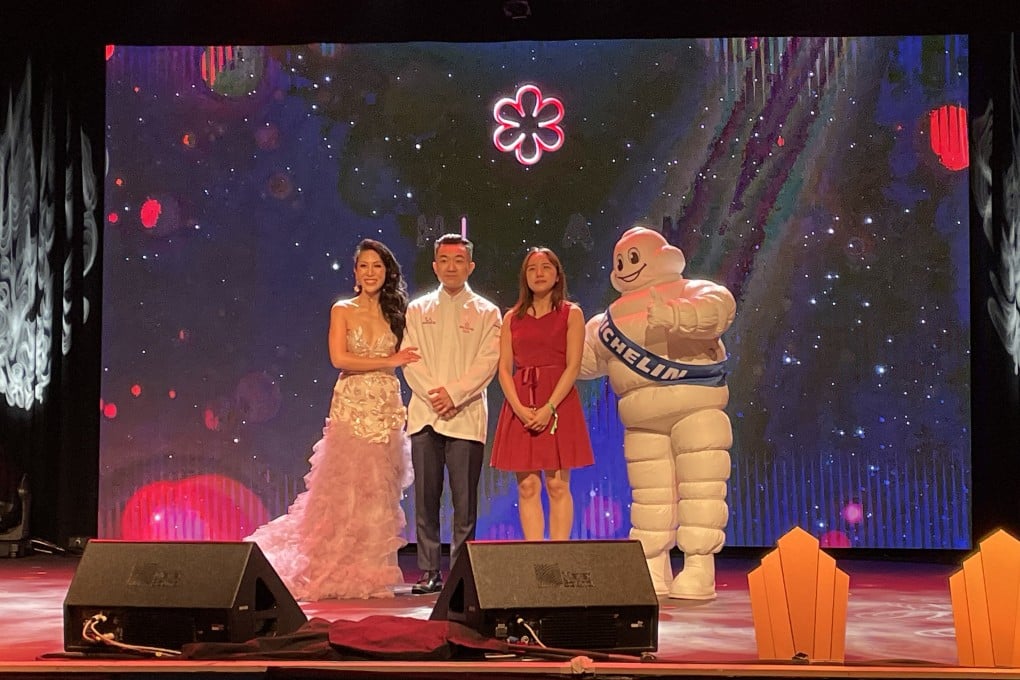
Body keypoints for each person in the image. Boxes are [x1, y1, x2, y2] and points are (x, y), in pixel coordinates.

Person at [246, 239, 420, 600]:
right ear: (355, 273)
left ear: (387, 272)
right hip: (352, 406)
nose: (371, 273)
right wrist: (391, 361)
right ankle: (334, 563)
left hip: (386, 407)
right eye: (364, 266)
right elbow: (340, 359)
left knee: (378, 491)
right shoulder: (342, 309)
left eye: (378, 266)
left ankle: (370, 571)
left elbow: (413, 355)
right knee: (344, 489)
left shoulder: (397, 312)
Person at [580, 226, 735, 600]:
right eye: (621, 260)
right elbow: (584, 362)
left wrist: (676, 315)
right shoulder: (606, 320)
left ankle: (699, 567)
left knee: (701, 490)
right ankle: (652, 566)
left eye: (634, 257)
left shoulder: (693, 290)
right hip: (641, 421)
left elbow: (719, 310)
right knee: (651, 496)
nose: (627, 266)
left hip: (695, 407)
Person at [401, 233, 501, 595]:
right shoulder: (417, 309)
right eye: (444, 260)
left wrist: (454, 395)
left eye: (459, 260)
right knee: (425, 500)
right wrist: (434, 396)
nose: (451, 266)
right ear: (435, 265)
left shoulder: (488, 312)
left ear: (470, 266)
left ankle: (461, 575)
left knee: (464, 502)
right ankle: (428, 571)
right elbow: (409, 360)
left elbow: (488, 363)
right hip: (425, 415)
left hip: (466, 416)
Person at [489, 247, 594, 540]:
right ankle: (535, 557)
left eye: (546, 267)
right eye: (532, 268)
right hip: (521, 402)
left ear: (557, 274)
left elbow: (572, 366)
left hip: (558, 401)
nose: (539, 273)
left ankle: (558, 554)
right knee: (528, 486)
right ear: (525, 276)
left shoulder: (571, 313)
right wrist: (520, 409)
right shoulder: (511, 318)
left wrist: (549, 407)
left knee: (558, 485)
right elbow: (504, 369)